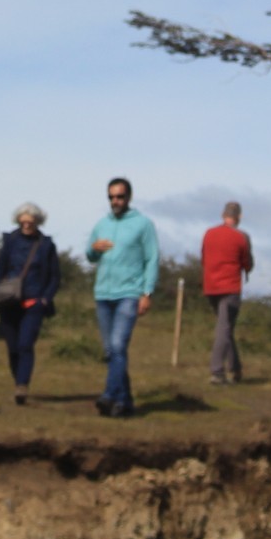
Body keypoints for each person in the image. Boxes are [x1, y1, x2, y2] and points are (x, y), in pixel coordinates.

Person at [86, 176, 159, 419]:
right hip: (103, 294)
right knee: (111, 351)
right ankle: (125, 403)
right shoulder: (101, 224)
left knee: (118, 346)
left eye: (119, 196)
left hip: (129, 293)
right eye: (111, 197)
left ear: (129, 197)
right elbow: (90, 255)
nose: (115, 201)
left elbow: (152, 259)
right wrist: (93, 249)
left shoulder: (143, 224)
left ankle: (108, 396)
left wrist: (147, 293)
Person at [0, 202, 62, 405]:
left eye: (30, 222)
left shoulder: (46, 245)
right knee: (12, 348)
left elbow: (55, 277)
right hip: (9, 303)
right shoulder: (10, 241)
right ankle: (18, 382)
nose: (27, 225)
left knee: (25, 344)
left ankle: (22, 385)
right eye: (23, 222)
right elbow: (0, 269)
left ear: (37, 222)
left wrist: (45, 299)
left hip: (34, 303)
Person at [201, 200, 255, 385]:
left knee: (226, 329)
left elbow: (203, 257)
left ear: (223, 215)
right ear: (239, 217)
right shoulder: (242, 237)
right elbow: (248, 263)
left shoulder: (209, 234)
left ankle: (236, 369)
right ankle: (217, 372)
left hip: (210, 287)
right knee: (223, 330)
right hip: (230, 288)